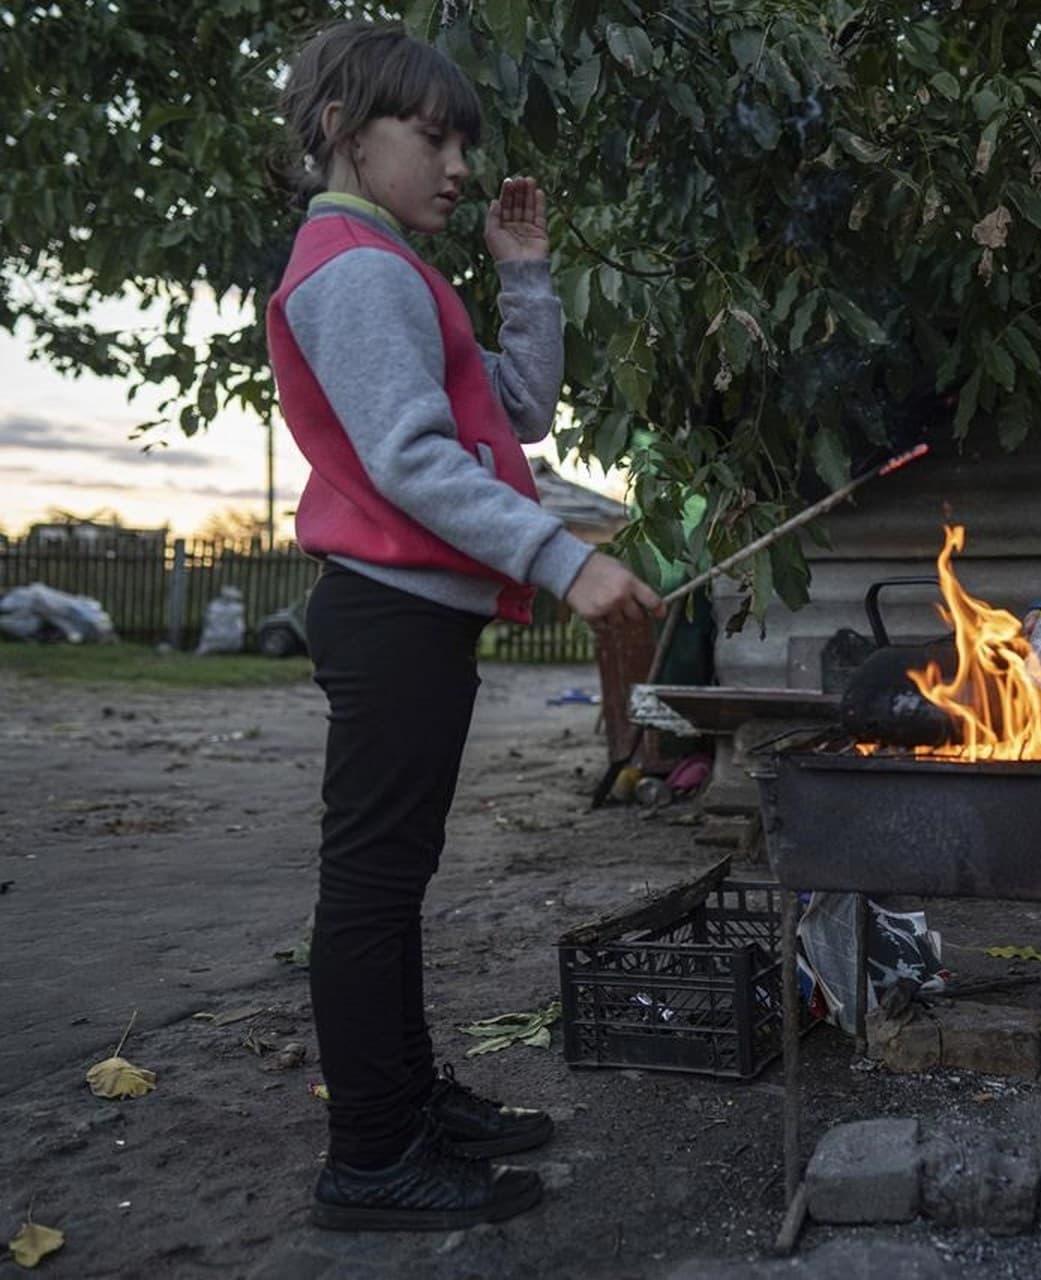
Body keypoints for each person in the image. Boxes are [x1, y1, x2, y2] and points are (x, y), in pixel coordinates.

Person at [268, 22, 660, 1230]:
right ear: (343, 127)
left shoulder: (396, 267)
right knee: (374, 883)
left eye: (463, 147)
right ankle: (372, 1153)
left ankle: (405, 1098)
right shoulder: (354, 268)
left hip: (409, 618)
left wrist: (524, 274)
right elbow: (410, 457)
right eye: (432, 138)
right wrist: (561, 561)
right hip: (387, 613)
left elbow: (521, 408)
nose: (456, 167)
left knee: (393, 879)